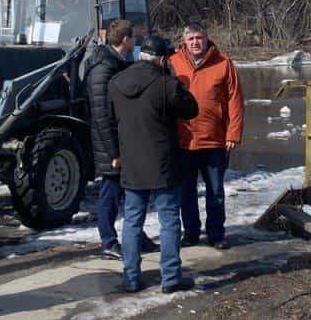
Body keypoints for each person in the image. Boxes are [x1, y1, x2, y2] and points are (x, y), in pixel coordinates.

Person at [109, 35, 199, 294]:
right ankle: (170, 278)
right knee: (169, 221)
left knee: (132, 222)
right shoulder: (166, 84)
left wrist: (116, 152)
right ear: (162, 59)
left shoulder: (116, 83)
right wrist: (172, 78)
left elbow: (110, 121)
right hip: (163, 163)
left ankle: (130, 277)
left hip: (131, 162)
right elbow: (191, 109)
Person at [169, 23, 245, 249]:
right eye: (191, 38)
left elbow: (235, 100)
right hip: (184, 140)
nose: (195, 42)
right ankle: (191, 232)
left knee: (215, 192)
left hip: (215, 140)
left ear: (207, 39)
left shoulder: (223, 63)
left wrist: (234, 133)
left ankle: (216, 233)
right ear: (184, 41)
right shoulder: (173, 62)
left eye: (199, 38)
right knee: (186, 191)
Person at [84, 19, 135, 259]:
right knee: (110, 190)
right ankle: (108, 240)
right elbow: (101, 114)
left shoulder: (117, 63)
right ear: (126, 39)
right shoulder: (103, 68)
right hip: (110, 143)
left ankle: (133, 236)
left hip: (122, 138)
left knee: (125, 190)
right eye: (133, 38)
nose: (135, 42)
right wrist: (114, 152)